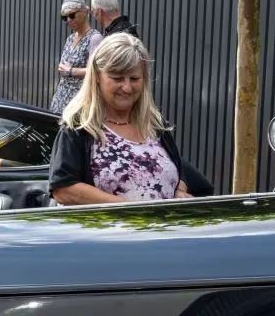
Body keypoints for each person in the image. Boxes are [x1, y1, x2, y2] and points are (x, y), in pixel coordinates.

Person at [49, 34, 213, 206]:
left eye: (134, 79)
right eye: (117, 78)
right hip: (111, 224)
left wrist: (179, 190)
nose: (127, 88)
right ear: (97, 76)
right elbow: (63, 190)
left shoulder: (155, 125)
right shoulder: (79, 126)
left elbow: (181, 172)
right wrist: (130, 210)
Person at [51, 0, 101, 114]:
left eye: (72, 15)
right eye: (64, 17)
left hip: (79, 105)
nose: (68, 20)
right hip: (60, 102)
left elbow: (96, 72)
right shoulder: (70, 38)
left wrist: (71, 71)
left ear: (84, 12)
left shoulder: (94, 38)